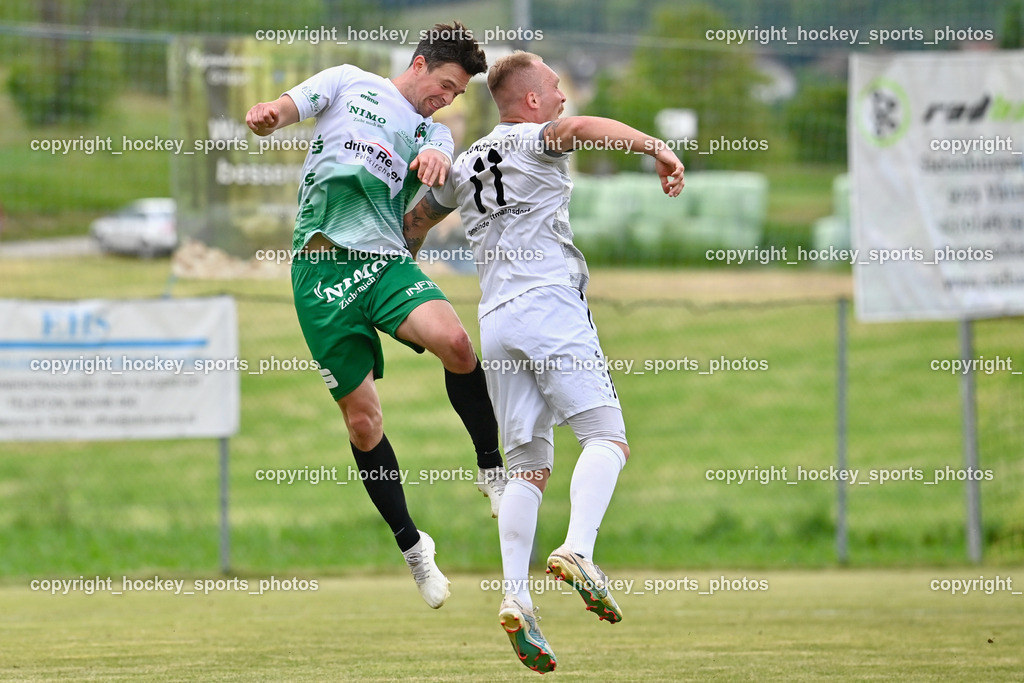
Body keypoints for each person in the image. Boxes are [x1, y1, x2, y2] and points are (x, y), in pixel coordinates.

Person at [403, 51, 684, 672]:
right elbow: (579, 130)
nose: (562, 97)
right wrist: (656, 148)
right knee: (606, 437)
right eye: (555, 88)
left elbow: (415, 223)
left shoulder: (464, 162)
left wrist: (391, 277)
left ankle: (516, 597)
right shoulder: (537, 138)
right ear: (530, 100)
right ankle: (578, 550)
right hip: (549, 304)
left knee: (527, 468)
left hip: (496, 321)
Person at [245, 22, 507, 611]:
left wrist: (437, 158)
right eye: (444, 84)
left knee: (457, 343)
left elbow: (440, 146)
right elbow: (288, 106)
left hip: (384, 262)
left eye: (458, 93)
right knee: (363, 424)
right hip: (319, 275)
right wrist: (269, 115)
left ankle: (491, 466)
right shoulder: (347, 81)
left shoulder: (427, 128)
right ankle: (414, 548)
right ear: (418, 65)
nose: (447, 98)